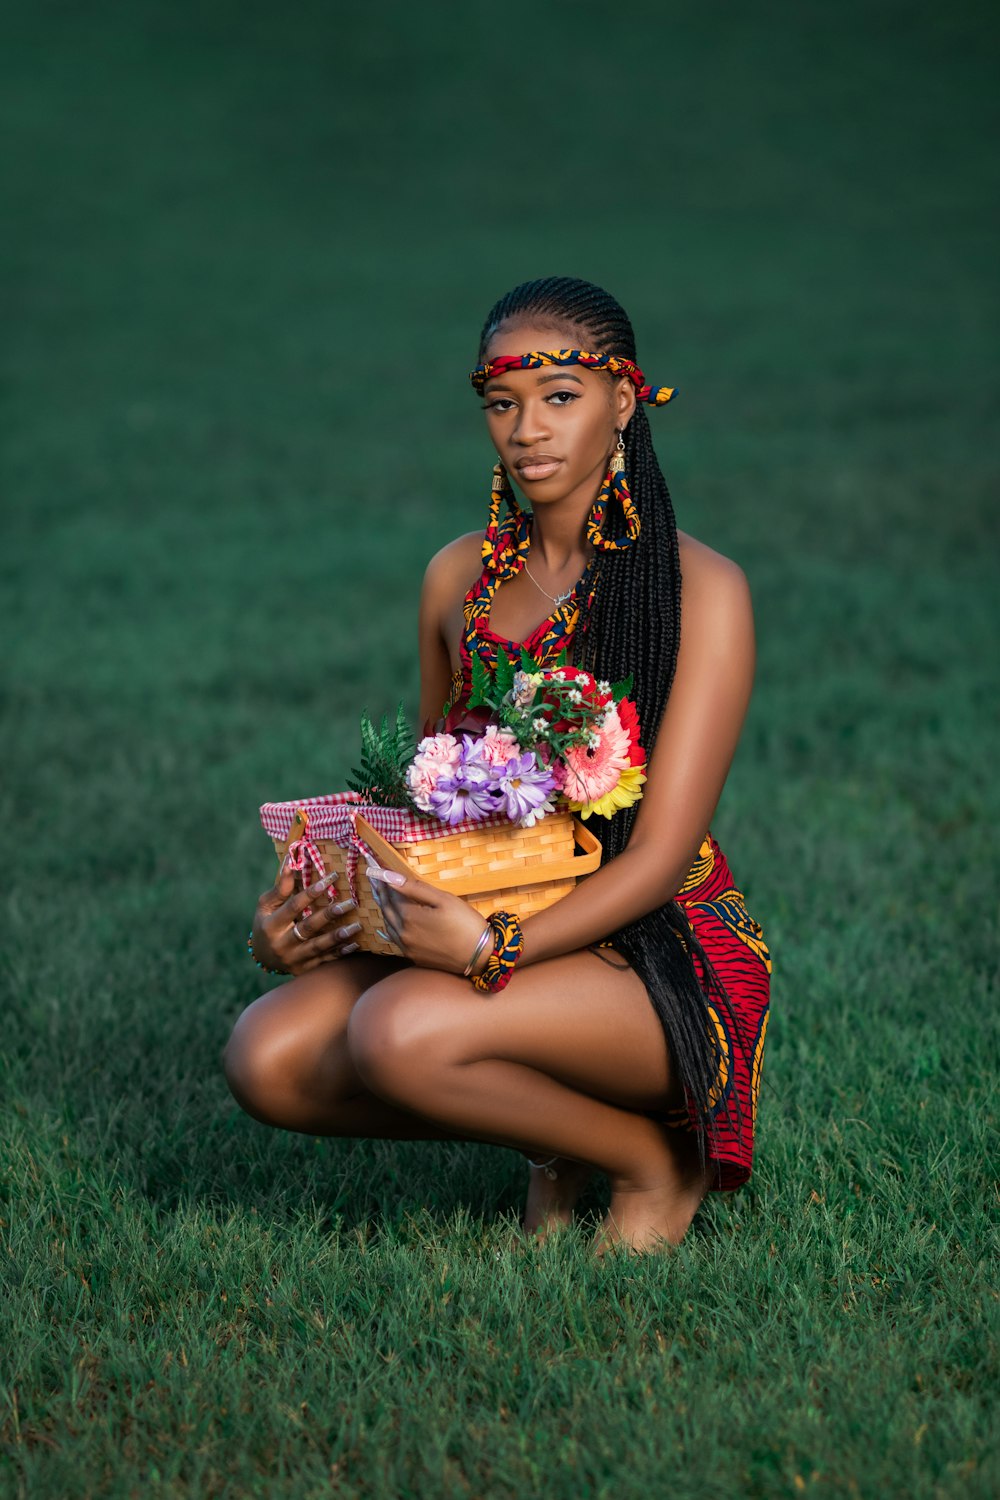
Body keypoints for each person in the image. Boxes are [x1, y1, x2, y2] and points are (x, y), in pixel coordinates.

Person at [224, 275, 773, 1256]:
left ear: (624, 399)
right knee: (266, 1058)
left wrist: (489, 949)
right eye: (502, 402)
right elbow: (433, 802)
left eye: (559, 397)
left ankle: (652, 1162)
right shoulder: (455, 577)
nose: (527, 430)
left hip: (652, 942)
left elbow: (657, 859)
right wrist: (300, 922)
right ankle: (551, 1133)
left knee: (398, 1031)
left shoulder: (703, 591)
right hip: (495, 893)